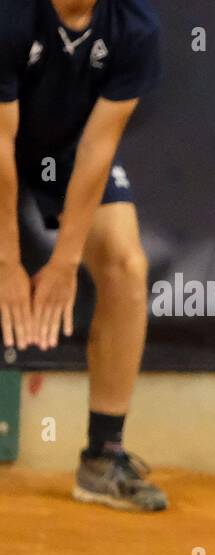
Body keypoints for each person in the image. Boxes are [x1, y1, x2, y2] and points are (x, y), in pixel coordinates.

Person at [0, 0, 166, 511]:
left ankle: (102, 458)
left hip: (65, 152)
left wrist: (66, 263)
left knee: (126, 266)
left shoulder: (135, 28)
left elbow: (98, 148)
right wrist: (7, 262)